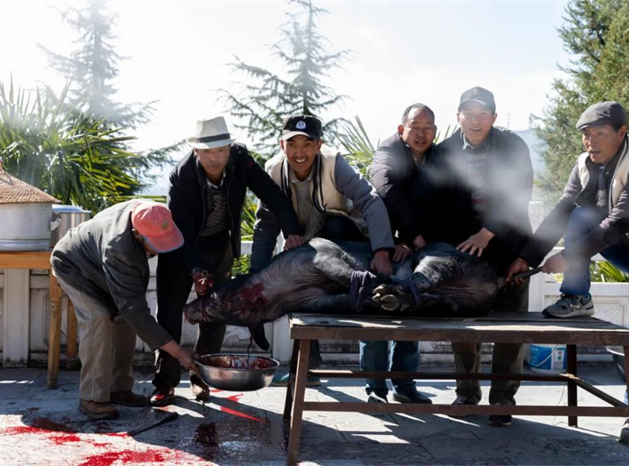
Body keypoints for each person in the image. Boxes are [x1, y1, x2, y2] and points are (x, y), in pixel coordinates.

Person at [507, 101, 629, 444]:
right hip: (625, 248)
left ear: (621, 133)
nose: (591, 142)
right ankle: (577, 296)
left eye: (600, 134)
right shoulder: (584, 164)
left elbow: (617, 223)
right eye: (586, 135)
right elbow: (563, 210)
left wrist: (569, 256)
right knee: (578, 214)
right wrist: (528, 257)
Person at [151, 116, 303, 406]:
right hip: (180, 249)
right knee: (168, 316)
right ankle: (165, 383)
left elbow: (271, 193)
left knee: (215, 314)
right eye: (208, 151)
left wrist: (292, 230)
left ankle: (201, 377)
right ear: (196, 151)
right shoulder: (182, 176)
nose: (215, 157)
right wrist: (195, 270)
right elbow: (180, 230)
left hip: (219, 246)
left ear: (230, 148)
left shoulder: (241, 160)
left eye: (221, 150)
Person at [250, 114, 396, 387]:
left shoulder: (334, 162)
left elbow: (370, 200)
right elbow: (266, 224)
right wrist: (255, 278)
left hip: (347, 237)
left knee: (370, 295)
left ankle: (376, 381)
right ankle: (307, 366)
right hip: (308, 246)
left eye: (307, 144)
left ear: (319, 145)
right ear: (282, 145)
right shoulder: (273, 169)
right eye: (292, 144)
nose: (299, 152)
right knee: (295, 280)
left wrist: (381, 251)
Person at [434, 86, 534, 426]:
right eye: (469, 114)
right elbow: (438, 203)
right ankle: (466, 392)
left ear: (494, 117)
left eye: (482, 115)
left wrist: (488, 232)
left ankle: (503, 398)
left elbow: (520, 193)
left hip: (509, 247)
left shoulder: (512, 145)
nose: (475, 122)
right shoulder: (444, 151)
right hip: (464, 252)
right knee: (463, 326)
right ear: (458, 116)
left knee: (510, 326)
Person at [51, 200, 197, 420]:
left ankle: (119, 389)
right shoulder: (120, 249)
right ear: (137, 234)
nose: (159, 249)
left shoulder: (154, 213)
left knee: (125, 321)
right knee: (98, 318)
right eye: (155, 244)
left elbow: (130, 310)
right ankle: (91, 398)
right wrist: (180, 353)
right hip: (73, 265)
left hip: (101, 264)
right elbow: (135, 310)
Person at [361, 103, 440, 404]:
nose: (421, 134)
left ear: (435, 130)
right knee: (377, 313)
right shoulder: (388, 150)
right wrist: (408, 237)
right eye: (415, 127)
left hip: (417, 247)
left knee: (412, 313)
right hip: (383, 243)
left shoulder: (439, 156)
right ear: (401, 129)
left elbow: (445, 201)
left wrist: (416, 241)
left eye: (427, 128)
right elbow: (386, 189)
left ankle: (405, 387)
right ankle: (375, 389)